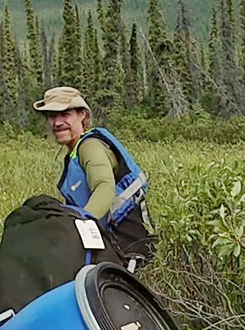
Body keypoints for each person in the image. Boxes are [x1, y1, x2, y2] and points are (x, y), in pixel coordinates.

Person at [33, 86, 154, 267]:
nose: (57, 123)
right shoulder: (75, 152)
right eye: (51, 116)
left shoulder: (90, 146)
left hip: (131, 250)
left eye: (65, 114)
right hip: (111, 248)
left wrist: (82, 227)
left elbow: (104, 187)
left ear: (82, 115)